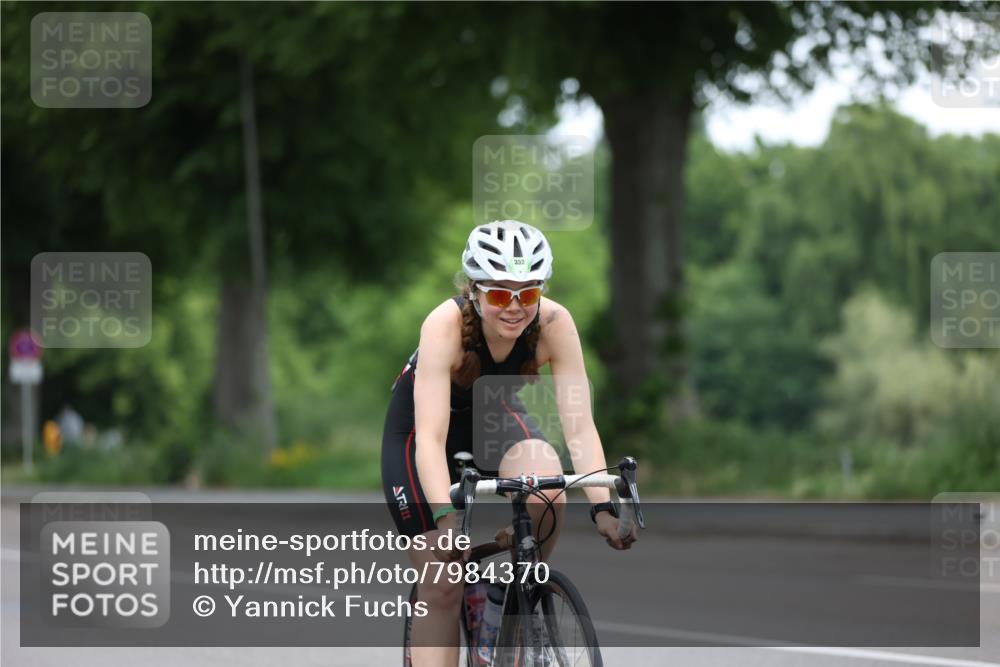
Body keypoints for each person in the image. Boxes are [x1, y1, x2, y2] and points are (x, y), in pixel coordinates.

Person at [381, 219, 637, 666]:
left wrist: (601, 507)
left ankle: (512, 597)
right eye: (499, 294)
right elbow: (432, 437)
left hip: (493, 420)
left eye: (529, 293)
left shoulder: (555, 323)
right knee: (442, 583)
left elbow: (578, 426)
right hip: (420, 435)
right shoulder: (445, 325)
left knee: (548, 481)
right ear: (473, 291)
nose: (515, 307)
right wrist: (445, 522)